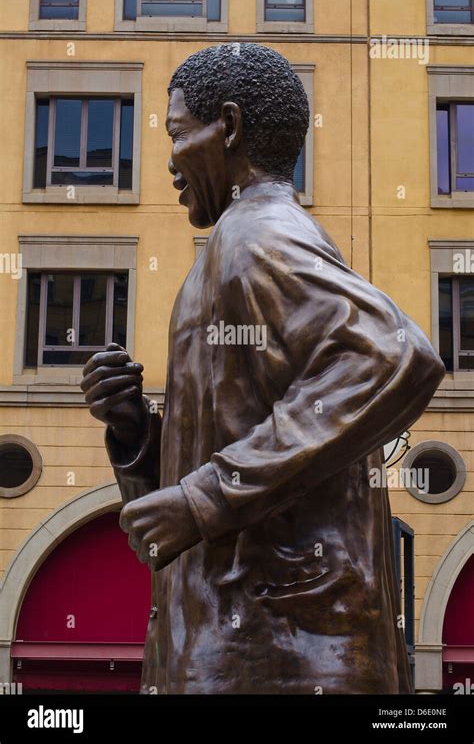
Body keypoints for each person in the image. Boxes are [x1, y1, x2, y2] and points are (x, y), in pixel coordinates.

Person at [81, 43, 445, 694]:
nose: (169, 160)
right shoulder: (230, 249)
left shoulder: (259, 234)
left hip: (278, 656)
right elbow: (188, 518)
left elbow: (394, 355)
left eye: (178, 133)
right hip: (237, 648)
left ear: (228, 126)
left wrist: (204, 497)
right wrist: (137, 433)